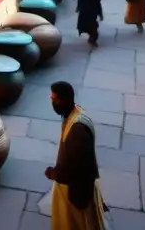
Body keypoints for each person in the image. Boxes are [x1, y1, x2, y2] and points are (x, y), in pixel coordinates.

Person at [45, 81, 108, 230]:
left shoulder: (77, 131)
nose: (52, 102)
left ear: (64, 100)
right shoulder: (75, 113)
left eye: (54, 99)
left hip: (76, 192)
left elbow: (78, 170)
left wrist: (53, 173)